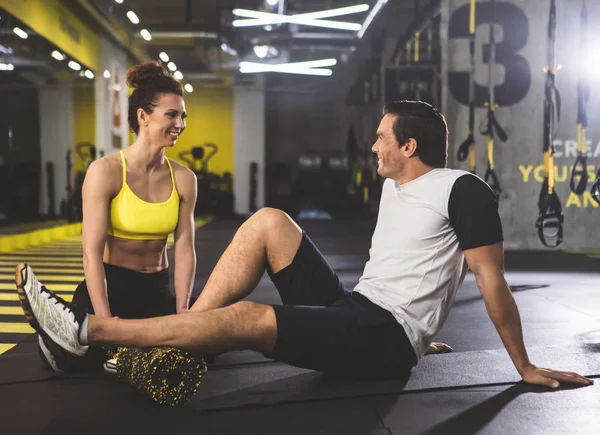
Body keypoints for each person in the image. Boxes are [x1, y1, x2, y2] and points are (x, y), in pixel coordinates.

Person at [18, 101, 593, 388]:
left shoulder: (465, 191)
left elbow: (487, 279)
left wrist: (522, 366)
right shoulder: (399, 186)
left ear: (410, 146)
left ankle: (92, 331)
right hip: (360, 309)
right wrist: (427, 332)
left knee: (247, 317)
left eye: (381, 138)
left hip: (380, 339)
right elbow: (431, 270)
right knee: (269, 220)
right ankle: (184, 341)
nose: (372, 146)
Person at [36, 60, 199, 372]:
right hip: (112, 285)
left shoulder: (185, 178)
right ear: (143, 116)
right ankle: (58, 335)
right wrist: (105, 320)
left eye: (183, 116)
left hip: (156, 287)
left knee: (193, 351)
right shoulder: (105, 172)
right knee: (83, 363)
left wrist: (182, 307)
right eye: (172, 114)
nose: (180, 123)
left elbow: (184, 246)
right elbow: (91, 252)